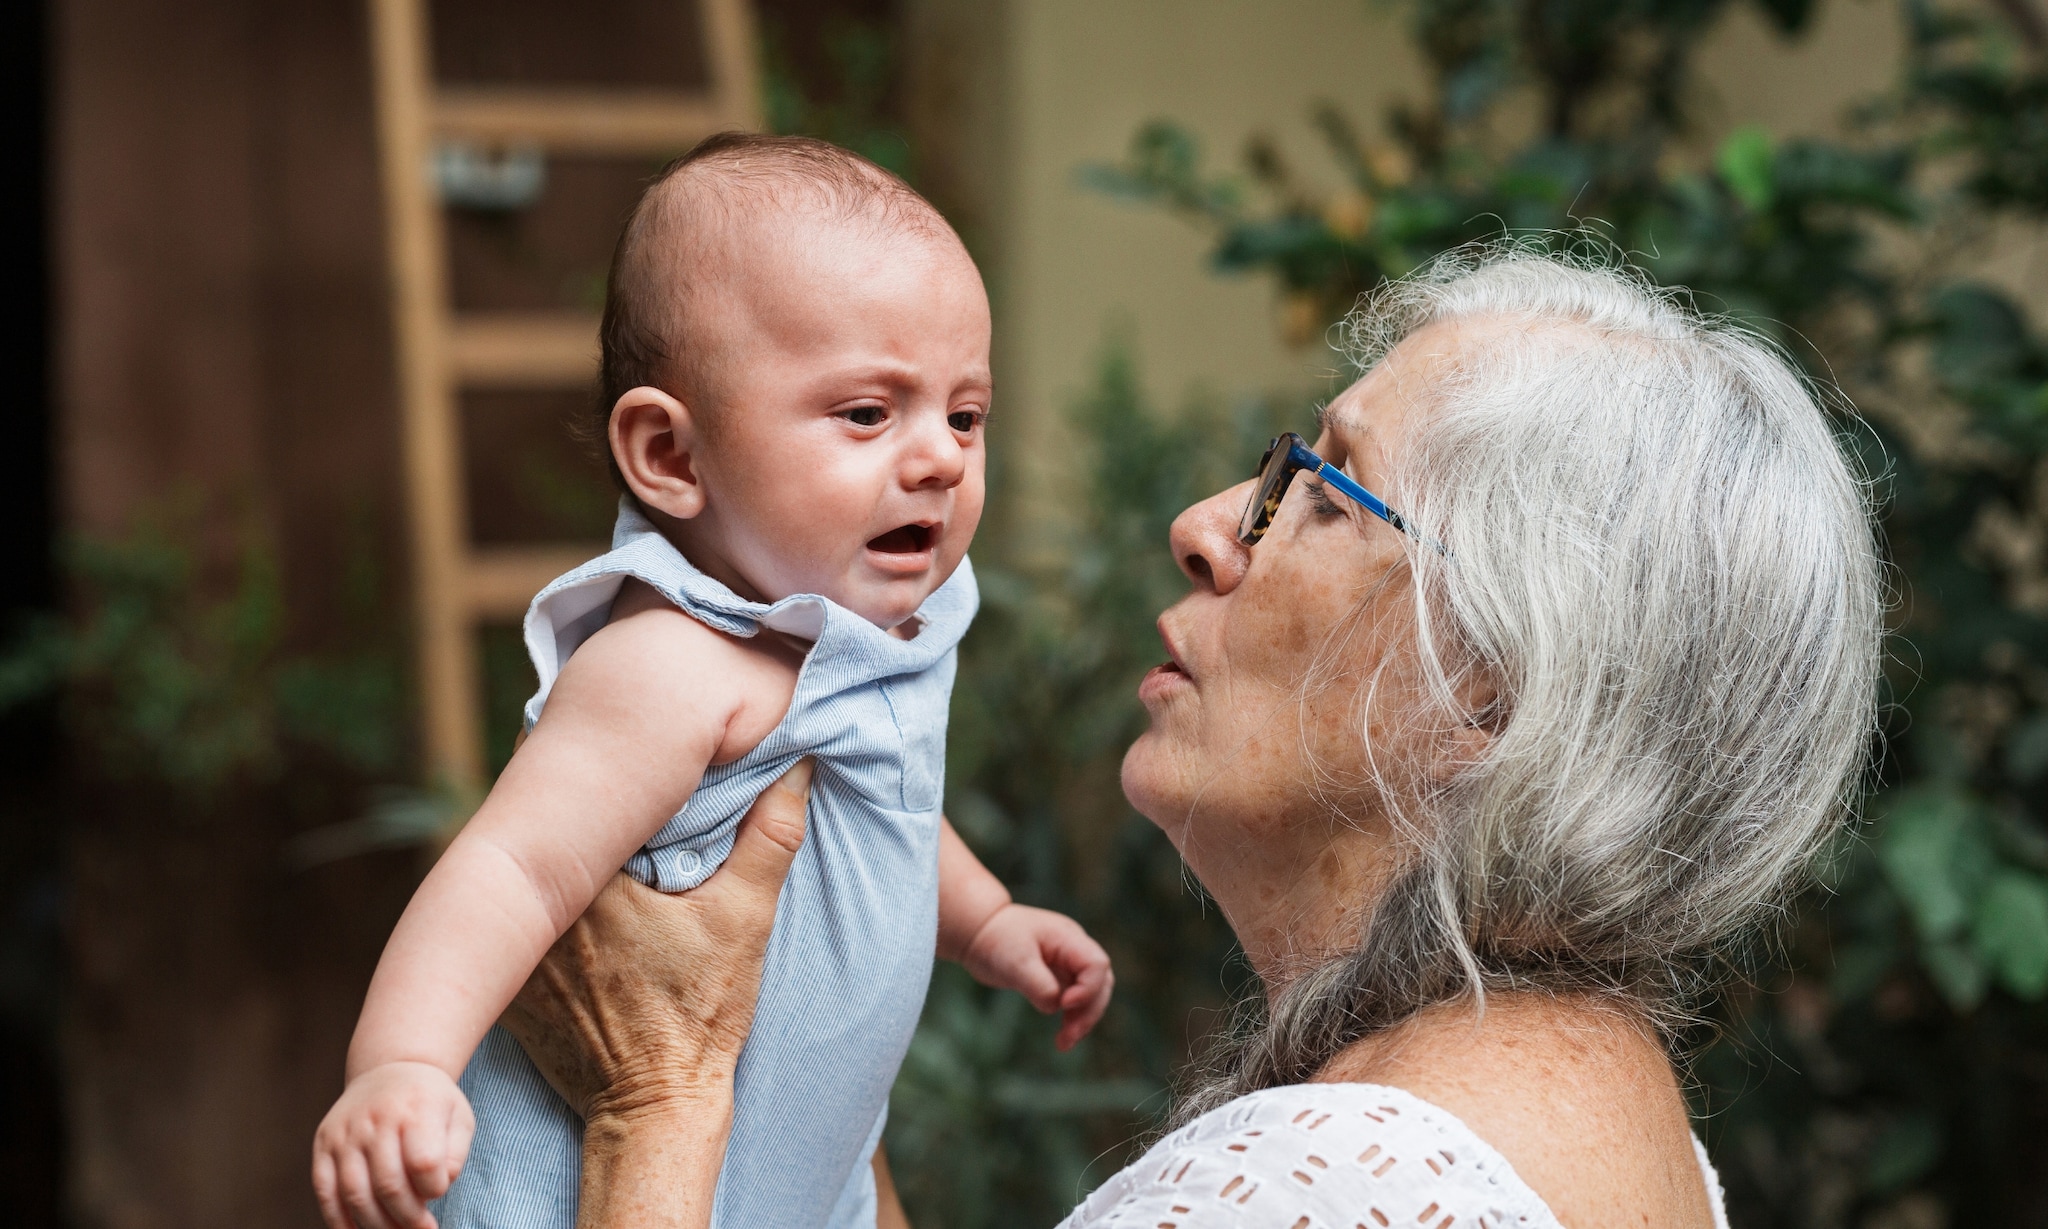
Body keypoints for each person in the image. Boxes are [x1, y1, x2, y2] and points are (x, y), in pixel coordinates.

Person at [499, 247, 1883, 1228]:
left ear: (1494, 698)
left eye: (1326, 494)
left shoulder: (1329, 1188)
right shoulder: (1605, 1104)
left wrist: (657, 1106)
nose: (1210, 525)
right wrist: (805, 1062)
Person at [310, 134, 1114, 1229]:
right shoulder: (669, 662)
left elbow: (881, 801)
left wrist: (983, 920)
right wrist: (401, 1060)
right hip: (575, 1187)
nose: (937, 457)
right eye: (867, 413)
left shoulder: (874, 627)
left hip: (796, 1176)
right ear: (672, 458)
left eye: (963, 415)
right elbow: (510, 868)